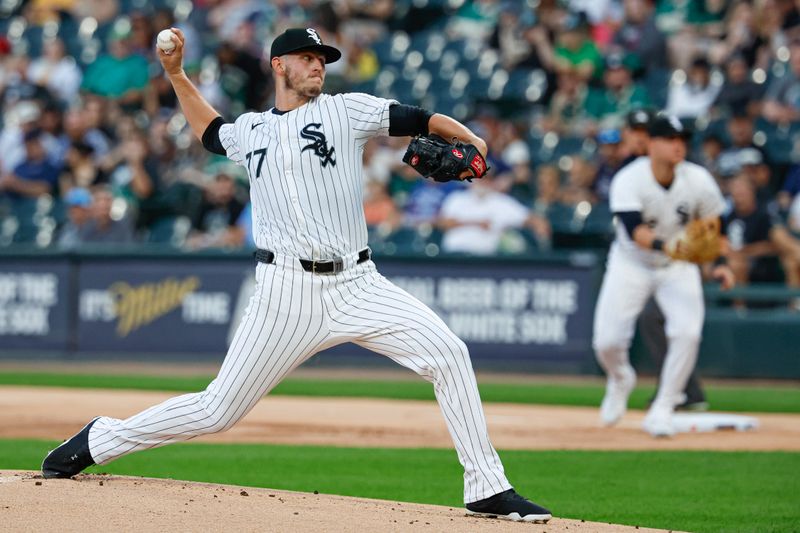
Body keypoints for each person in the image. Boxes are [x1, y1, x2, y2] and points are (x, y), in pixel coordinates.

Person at [41, 27, 552, 523]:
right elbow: (211, 131)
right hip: (285, 293)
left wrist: (472, 139)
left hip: (358, 283)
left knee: (448, 353)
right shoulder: (252, 130)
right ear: (279, 65)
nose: (318, 66)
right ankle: (101, 439)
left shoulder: (346, 110)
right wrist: (176, 75)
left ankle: (487, 487)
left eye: (322, 59)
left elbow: (418, 118)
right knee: (218, 410)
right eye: (308, 58)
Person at [593, 113, 734, 437]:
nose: (678, 145)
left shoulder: (698, 180)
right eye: (670, 139)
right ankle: (620, 378)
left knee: (688, 332)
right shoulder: (629, 179)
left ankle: (664, 407)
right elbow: (633, 231)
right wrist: (668, 244)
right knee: (607, 342)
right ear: (652, 143)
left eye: (682, 139)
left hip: (677, 267)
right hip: (632, 263)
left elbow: (716, 230)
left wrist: (721, 262)